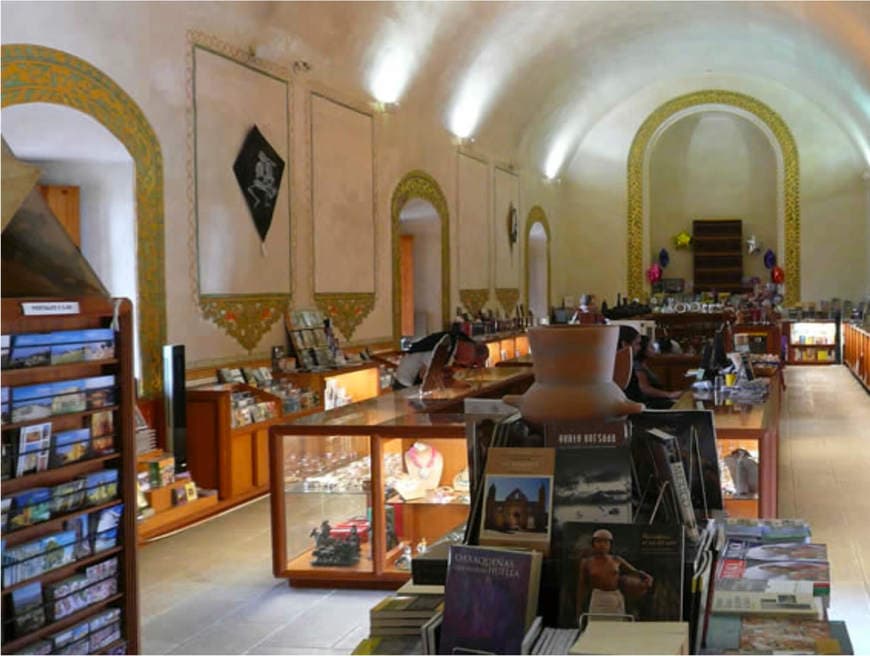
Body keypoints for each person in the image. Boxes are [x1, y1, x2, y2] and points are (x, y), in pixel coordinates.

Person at [576, 528, 653, 624]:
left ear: (610, 545)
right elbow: (582, 585)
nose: (602, 545)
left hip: (615, 598)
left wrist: (647, 578)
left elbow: (635, 571)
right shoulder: (586, 562)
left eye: (606, 542)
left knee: (616, 627)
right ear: (593, 544)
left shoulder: (617, 559)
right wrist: (579, 607)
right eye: (598, 541)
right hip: (598, 598)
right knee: (597, 626)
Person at [392, 325, 489, 389]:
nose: (468, 365)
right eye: (473, 363)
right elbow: (427, 375)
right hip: (405, 384)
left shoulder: (454, 343)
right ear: (470, 350)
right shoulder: (441, 346)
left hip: (415, 384)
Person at [634, 335, 683, 409]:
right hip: (650, 405)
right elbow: (645, 389)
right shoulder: (637, 365)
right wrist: (669, 395)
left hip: (656, 401)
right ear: (643, 350)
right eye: (650, 347)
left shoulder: (643, 364)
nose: (654, 349)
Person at [617, 325, 643, 404]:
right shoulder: (620, 366)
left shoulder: (629, 362)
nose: (639, 348)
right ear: (625, 344)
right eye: (637, 344)